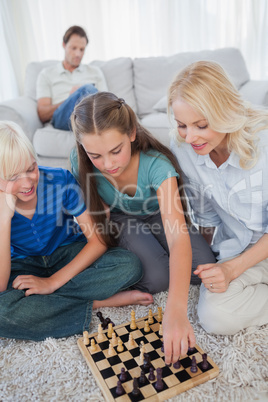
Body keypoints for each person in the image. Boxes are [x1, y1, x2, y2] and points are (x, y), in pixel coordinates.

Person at [70, 91, 216, 364]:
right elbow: (97, 214)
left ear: (132, 133)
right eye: (96, 156)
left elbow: (178, 237)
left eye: (116, 151)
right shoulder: (79, 160)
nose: (109, 164)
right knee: (159, 277)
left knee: (204, 267)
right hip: (120, 218)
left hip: (157, 214)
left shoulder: (156, 165)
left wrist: (175, 311)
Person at [0, 121, 153, 342]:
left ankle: (50, 302)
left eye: (31, 168)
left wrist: (52, 282)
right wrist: (4, 218)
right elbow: (2, 287)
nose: (27, 182)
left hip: (65, 252)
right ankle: (97, 303)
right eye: (13, 178)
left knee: (128, 265)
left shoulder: (60, 180)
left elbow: (98, 241)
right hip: (22, 265)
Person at [168, 60, 268, 335]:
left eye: (201, 125)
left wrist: (233, 270)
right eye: (182, 125)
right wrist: (211, 259)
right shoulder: (185, 150)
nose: (190, 137)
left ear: (225, 112)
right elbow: (206, 213)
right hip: (240, 249)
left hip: (257, 251)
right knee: (214, 315)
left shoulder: (264, 144)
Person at [36, 25, 107, 131]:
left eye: (82, 49)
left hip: (91, 116)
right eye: (73, 48)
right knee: (86, 90)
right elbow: (43, 114)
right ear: (64, 45)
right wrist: (71, 99)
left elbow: (107, 103)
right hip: (63, 118)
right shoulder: (47, 74)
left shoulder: (95, 72)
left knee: (94, 97)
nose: (78, 54)